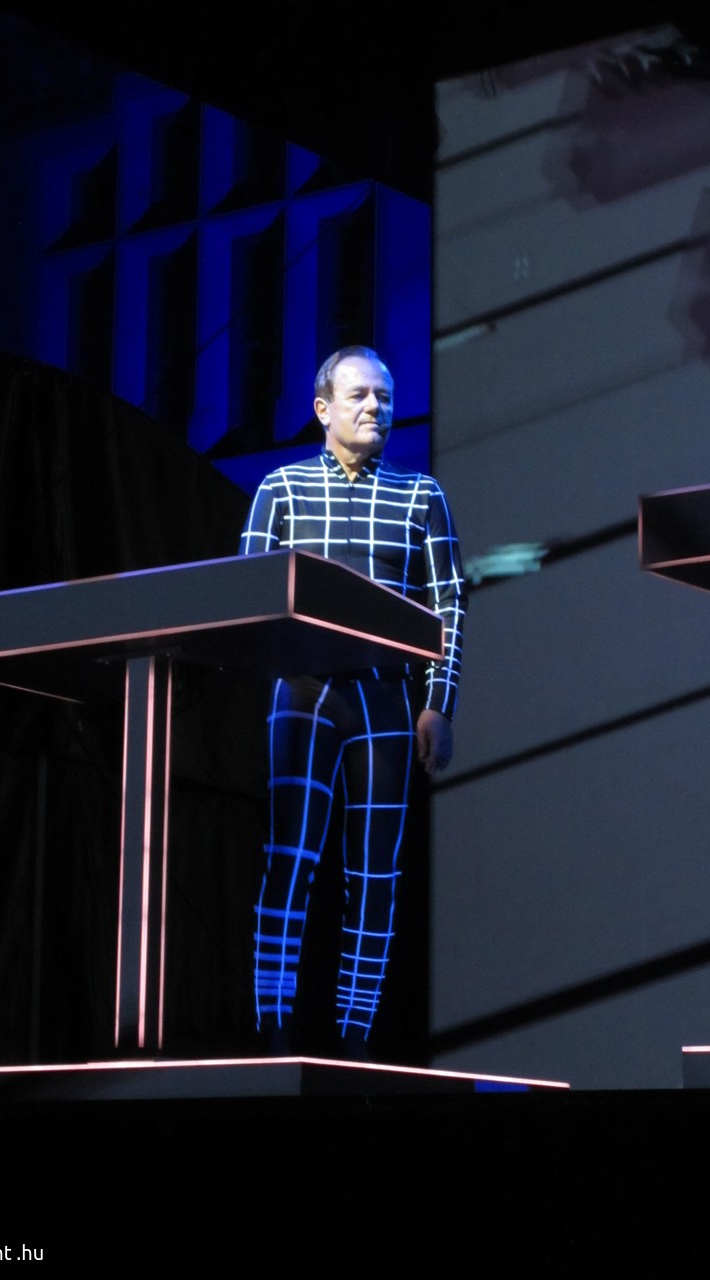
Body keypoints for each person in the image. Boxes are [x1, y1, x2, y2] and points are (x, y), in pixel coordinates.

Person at [239, 346, 465, 1055]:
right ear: (322, 408)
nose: (375, 408)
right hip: (302, 692)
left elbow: (449, 605)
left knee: (375, 873)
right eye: (360, 395)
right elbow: (245, 595)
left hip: (385, 698)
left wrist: (440, 703)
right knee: (289, 856)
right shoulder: (280, 488)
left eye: (385, 397)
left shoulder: (421, 495)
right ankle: (273, 1034)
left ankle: (355, 1040)